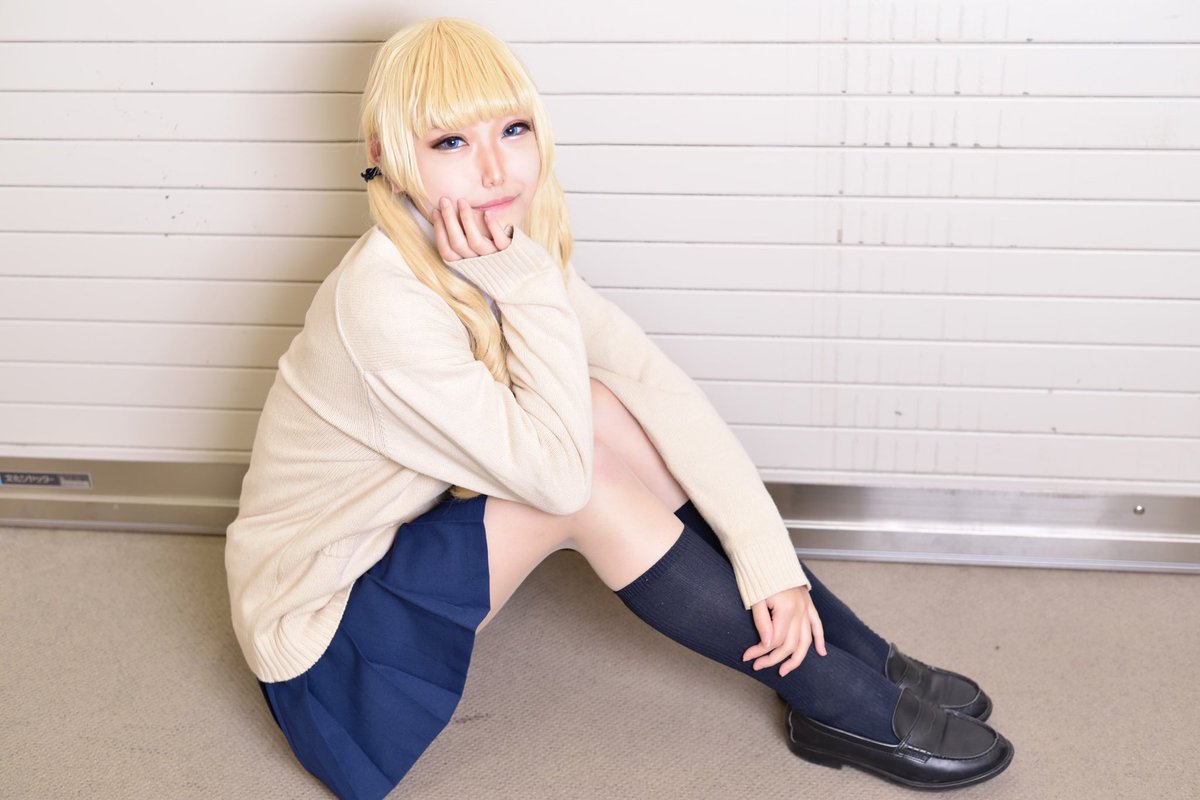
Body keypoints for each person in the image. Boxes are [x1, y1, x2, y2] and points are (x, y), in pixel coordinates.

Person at [224, 16, 1014, 800]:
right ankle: (831, 696)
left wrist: (773, 567)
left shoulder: (491, 249)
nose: (496, 169)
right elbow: (563, 484)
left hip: (391, 547)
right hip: (324, 646)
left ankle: (851, 650)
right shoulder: (385, 301)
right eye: (451, 142)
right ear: (388, 156)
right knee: (583, 485)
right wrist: (529, 291)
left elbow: (658, 388)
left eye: (513, 129)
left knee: (606, 402)